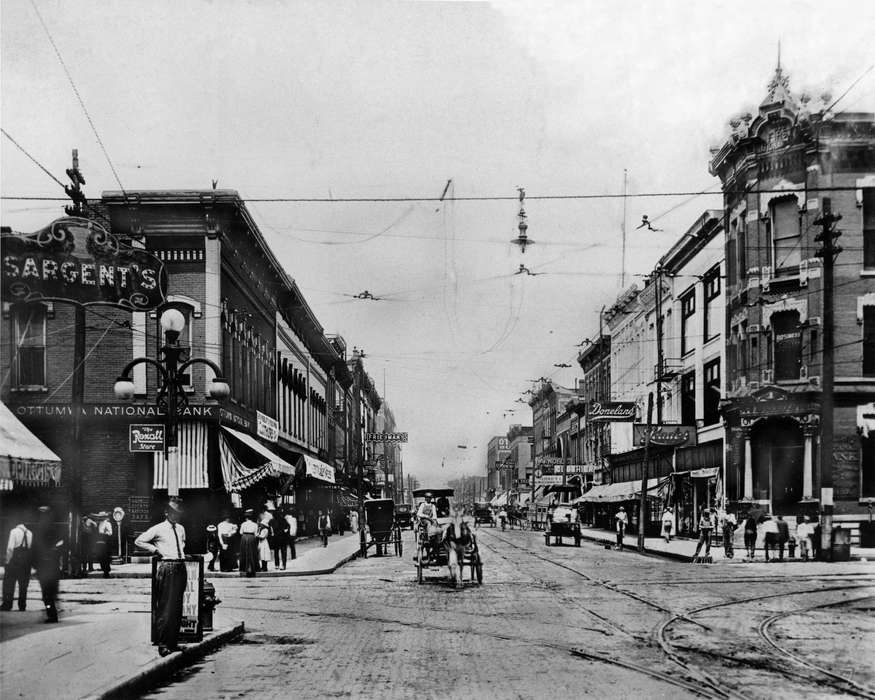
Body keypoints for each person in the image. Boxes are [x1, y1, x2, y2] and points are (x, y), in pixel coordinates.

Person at [134, 498, 188, 655]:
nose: (175, 516)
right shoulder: (158, 529)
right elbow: (139, 540)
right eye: (173, 513)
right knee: (166, 607)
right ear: (166, 513)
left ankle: (173, 642)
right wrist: (155, 550)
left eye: (178, 513)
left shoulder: (181, 529)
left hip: (180, 566)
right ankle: (163, 644)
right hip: (168, 567)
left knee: (177, 607)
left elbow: (183, 544)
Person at [33, 506, 63, 623]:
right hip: (53, 567)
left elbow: (35, 550)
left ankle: (52, 614)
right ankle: (53, 612)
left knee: (46, 593)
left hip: (44, 567)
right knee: (52, 592)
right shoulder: (56, 530)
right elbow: (60, 547)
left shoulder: (39, 530)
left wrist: (35, 565)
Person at [2, 517, 32, 612]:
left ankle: (7, 604)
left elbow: (10, 548)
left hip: (15, 562)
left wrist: (7, 561)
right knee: (23, 584)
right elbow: (30, 548)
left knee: (9, 583)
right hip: (26, 562)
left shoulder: (14, 531)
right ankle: (22, 605)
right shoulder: (30, 533)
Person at [238, 509, 259, 577]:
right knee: (252, 552)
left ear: (246, 518)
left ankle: (244, 568)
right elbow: (256, 534)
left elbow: (240, 532)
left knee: (244, 552)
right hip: (251, 537)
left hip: (244, 537)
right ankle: (253, 567)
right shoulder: (255, 524)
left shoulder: (243, 524)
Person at [95, 512, 113, 578]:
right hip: (99, 542)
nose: (100, 518)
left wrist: (104, 533)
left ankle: (106, 572)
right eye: (100, 517)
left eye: (102, 517)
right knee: (100, 557)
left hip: (105, 542)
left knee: (105, 557)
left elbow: (110, 533)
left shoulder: (107, 523)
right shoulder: (99, 523)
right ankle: (104, 570)